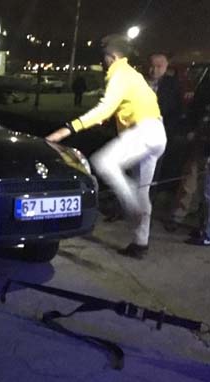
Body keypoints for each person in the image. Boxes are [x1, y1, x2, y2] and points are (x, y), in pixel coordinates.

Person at [46, 34, 166, 259]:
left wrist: (67, 129)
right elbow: (120, 109)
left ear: (112, 56)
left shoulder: (119, 73)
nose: (102, 62)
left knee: (103, 163)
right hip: (157, 133)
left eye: (104, 57)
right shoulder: (133, 75)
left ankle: (132, 206)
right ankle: (140, 243)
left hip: (142, 132)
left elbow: (104, 108)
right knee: (143, 190)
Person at [164, 71, 210, 232]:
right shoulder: (206, 83)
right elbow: (196, 106)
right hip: (201, 138)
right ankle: (178, 215)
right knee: (190, 178)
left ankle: (204, 224)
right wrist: (191, 129)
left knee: (205, 186)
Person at [146, 53, 182, 198]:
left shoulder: (172, 85)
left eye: (159, 66)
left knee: (153, 173)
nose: (154, 70)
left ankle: (148, 202)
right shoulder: (139, 82)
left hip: (158, 135)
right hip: (135, 134)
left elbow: (176, 111)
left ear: (166, 66)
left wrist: (166, 132)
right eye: (152, 66)